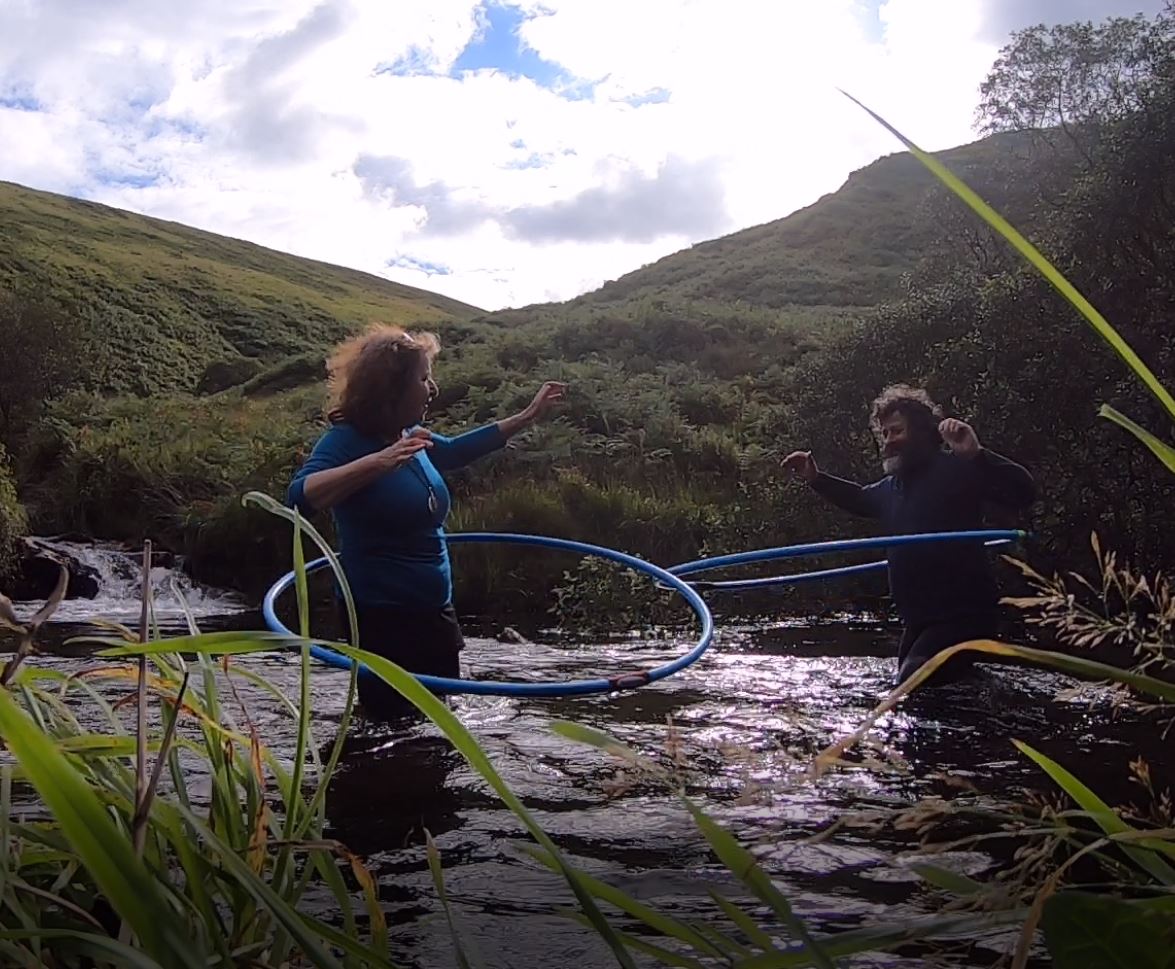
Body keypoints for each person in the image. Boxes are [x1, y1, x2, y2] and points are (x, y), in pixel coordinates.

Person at [286, 323, 566, 719]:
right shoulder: (345, 441)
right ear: (392, 388)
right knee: (392, 734)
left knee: (440, 725)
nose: (432, 387)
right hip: (383, 619)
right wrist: (377, 463)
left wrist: (527, 416)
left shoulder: (408, 436)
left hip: (435, 611)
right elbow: (299, 497)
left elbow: (453, 452)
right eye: (423, 378)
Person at [781, 384, 1036, 686]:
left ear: (922, 433)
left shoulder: (955, 468)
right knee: (923, 688)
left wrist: (978, 456)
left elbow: (1024, 492)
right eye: (885, 434)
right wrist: (816, 478)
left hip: (963, 615)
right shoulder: (892, 487)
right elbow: (860, 499)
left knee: (911, 685)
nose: (888, 441)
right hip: (920, 620)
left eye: (897, 431)